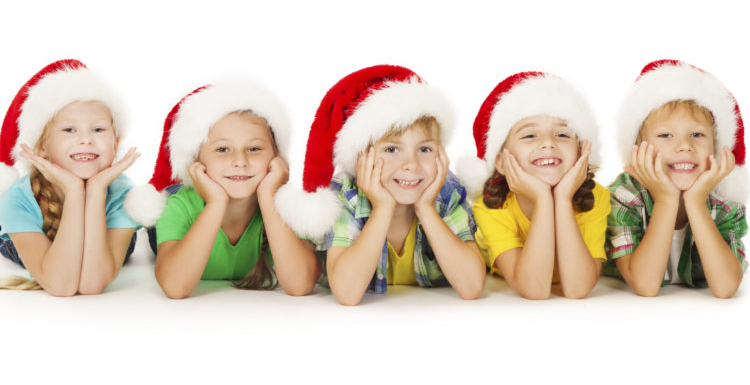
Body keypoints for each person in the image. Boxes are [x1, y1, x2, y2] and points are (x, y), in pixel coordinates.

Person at [276, 65, 485, 306]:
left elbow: (471, 287)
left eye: (424, 149)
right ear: (361, 158)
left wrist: (426, 208)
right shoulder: (347, 195)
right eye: (392, 149)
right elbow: (347, 293)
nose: (411, 165)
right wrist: (382, 208)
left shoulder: (445, 190)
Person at [125, 83, 319, 299]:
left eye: (254, 149)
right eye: (222, 149)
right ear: (196, 161)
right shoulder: (178, 205)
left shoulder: (288, 206)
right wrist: (216, 203)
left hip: (260, 195)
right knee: (157, 219)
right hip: (190, 204)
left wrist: (267, 197)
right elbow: (175, 287)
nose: (240, 161)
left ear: (276, 157)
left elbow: (300, 285)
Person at [460, 71, 609, 299]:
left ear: (581, 151)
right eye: (530, 136)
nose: (548, 144)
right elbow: (535, 289)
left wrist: (562, 199)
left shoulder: (596, 198)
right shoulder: (491, 209)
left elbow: (577, 289)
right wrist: (542, 198)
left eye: (562, 134)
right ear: (500, 160)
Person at [605, 60, 747, 298]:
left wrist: (696, 202)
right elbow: (645, 285)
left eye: (697, 134)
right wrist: (665, 200)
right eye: (665, 135)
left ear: (716, 148)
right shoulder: (624, 197)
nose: (684, 146)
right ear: (638, 150)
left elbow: (726, 288)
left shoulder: (724, 207)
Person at [0, 59, 140, 296]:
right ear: (42, 147)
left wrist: (95, 191)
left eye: (98, 129)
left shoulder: (125, 195)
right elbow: (62, 285)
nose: (86, 139)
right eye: (69, 130)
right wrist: (75, 191)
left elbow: (90, 284)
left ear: (115, 144)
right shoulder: (17, 199)